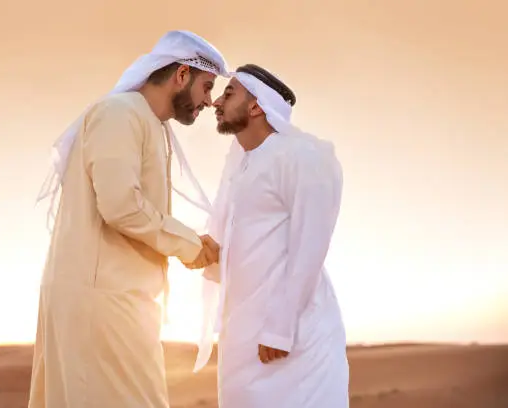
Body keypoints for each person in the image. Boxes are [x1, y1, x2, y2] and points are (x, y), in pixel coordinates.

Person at [28, 30, 227, 408]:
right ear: (181, 75)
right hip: (100, 301)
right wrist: (189, 246)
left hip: (124, 302)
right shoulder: (119, 114)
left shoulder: (147, 122)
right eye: (206, 86)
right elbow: (121, 205)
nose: (209, 100)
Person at [194, 64, 349, 407]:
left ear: (256, 106)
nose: (216, 102)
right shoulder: (243, 165)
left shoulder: (302, 156)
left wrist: (280, 327)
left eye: (229, 93)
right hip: (243, 338)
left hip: (293, 340)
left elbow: (311, 244)